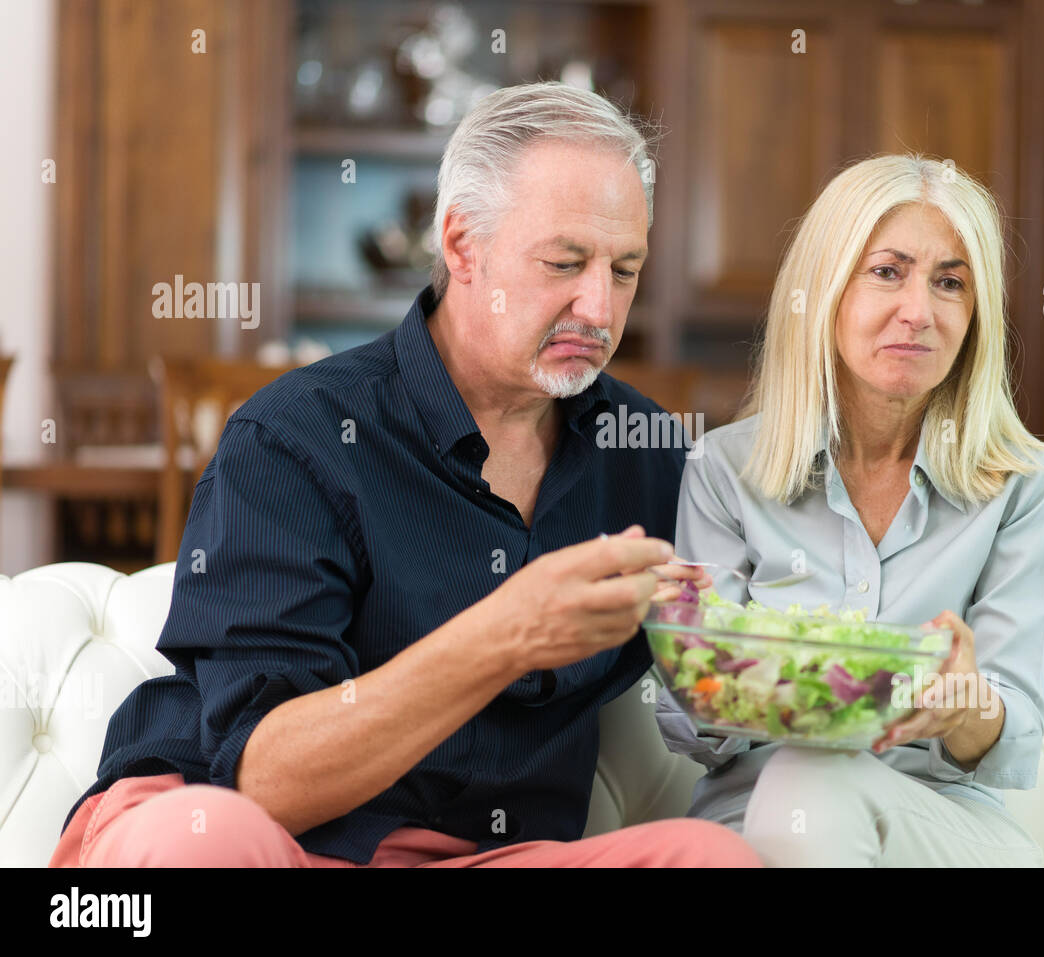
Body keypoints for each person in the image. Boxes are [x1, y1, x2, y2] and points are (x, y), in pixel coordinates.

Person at [50, 82, 759, 869]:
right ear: (462, 245)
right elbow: (264, 778)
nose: (597, 305)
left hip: (471, 856)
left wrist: (890, 689)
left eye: (625, 270)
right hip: (241, 826)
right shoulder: (298, 436)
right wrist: (504, 634)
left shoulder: (647, 453)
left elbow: (737, 665)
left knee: (708, 857)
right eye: (565, 261)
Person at [655, 153, 1044, 867]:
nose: (918, 311)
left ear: (976, 313)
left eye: (949, 281)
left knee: (812, 774)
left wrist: (966, 704)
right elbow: (689, 725)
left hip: (940, 829)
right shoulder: (724, 471)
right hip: (751, 827)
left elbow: (1011, 735)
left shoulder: (1021, 485)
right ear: (822, 290)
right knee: (803, 774)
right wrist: (718, 677)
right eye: (887, 271)